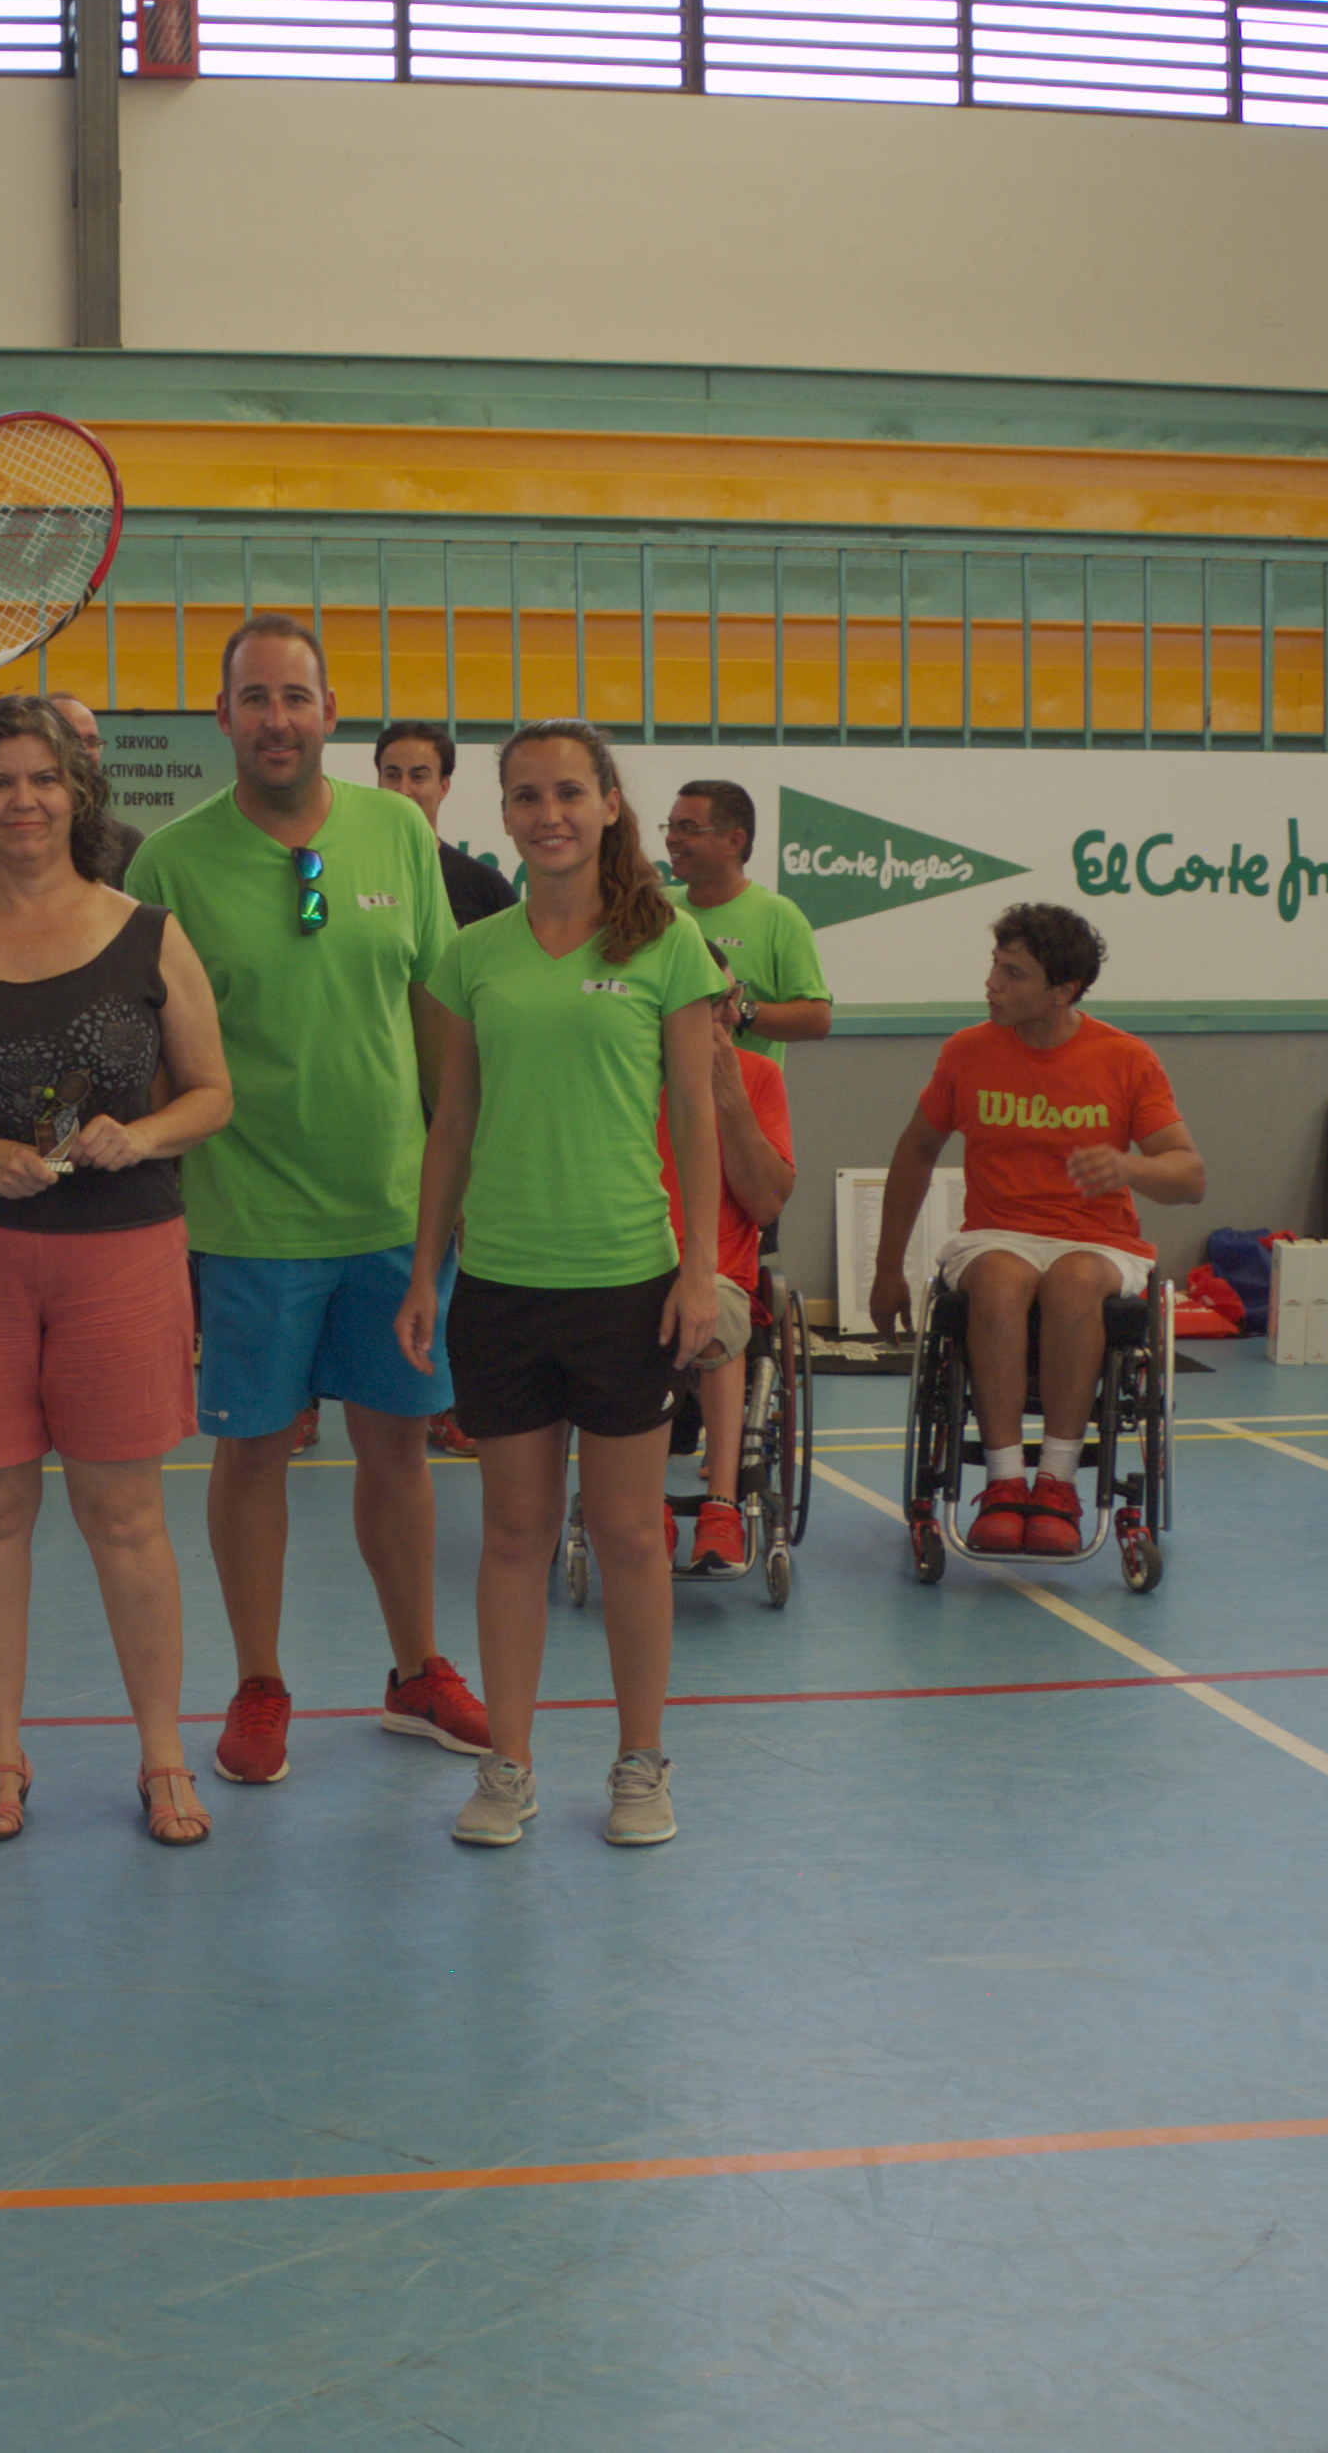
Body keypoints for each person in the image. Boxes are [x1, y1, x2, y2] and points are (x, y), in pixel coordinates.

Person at [0, 695, 233, 1847]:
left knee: (126, 1512)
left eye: (44, 778)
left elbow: (211, 1094)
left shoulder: (150, 933)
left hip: (120, 1256)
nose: (24, 800)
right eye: (0, 780)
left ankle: (163, 1755)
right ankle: (1, 1755)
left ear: (79, 795)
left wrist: (142, 1134)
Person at [125, 616, 495, 1784]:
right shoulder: (168, 864)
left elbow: (436, 1014)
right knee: (252, 1459)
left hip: (393, 1213)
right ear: (222, 717)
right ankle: (258, 1683)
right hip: (248, 1223)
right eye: (255, 698)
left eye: (297, 696)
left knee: (400, 1454)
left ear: (331, 713)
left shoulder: (397, 832)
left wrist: (455, 1189)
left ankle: (417, 1673)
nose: (277, 718)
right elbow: (150, 1051)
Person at [396, 722, 727, 1852]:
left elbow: (695, 1117)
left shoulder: (669, 944)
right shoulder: (473, 955)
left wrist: (700, 1270)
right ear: (503, 814)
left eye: (571, 793)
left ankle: (641, 1763)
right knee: (514, 1533)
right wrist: (426, 1272)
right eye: (528, 796)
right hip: (500, 1285)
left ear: (609, 804)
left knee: (630, 1535)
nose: (550, 815)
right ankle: (510, 1766)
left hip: (627, 1283)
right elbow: (452, 1123)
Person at [866, 905, 1207, 1557]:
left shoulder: (1125, 1058)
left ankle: (1055, 1482)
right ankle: (1003, 1482)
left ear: (1063, 991)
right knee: (999, 1279)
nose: (991, 984)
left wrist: (1131, 1166)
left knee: (1074, 1281)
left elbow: (1190, 1177)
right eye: (995, 966)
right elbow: (915, 1153)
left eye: (1013, 974)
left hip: (1098, 1242)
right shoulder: (966, 1053)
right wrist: (887, 1270)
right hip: (997, 1233)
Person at [665, 990, 797, 1572]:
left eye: (731, 1001)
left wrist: (729, 1093)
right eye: (710, 1003)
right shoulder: (625, 1072)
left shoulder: (759, 1075)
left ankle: (722, 1505)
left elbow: (766, 1203)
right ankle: (645, 1503)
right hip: (629, 1264)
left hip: (720, 1275)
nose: (727, 1017)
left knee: (712, 1309)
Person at [661, 781, 832, 1050]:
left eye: (688, 829)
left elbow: (817, 1019)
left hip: (741, 1079)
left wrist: (738, 1009)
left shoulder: (778, 916)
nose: (671, 838)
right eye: (670, 827)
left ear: (734, 841)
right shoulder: (658, 907)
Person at [372, 721, 517, 926]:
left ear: (443, 787)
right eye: (393, 776)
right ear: (379, 782)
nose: (403, 789)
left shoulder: (485, 886)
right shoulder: (351, 873)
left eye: (418, 777)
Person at [42, 694, 144, 884]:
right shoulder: (20, 835)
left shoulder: (125, 843)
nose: (84, 752)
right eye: (71, 740)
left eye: (91, 742)